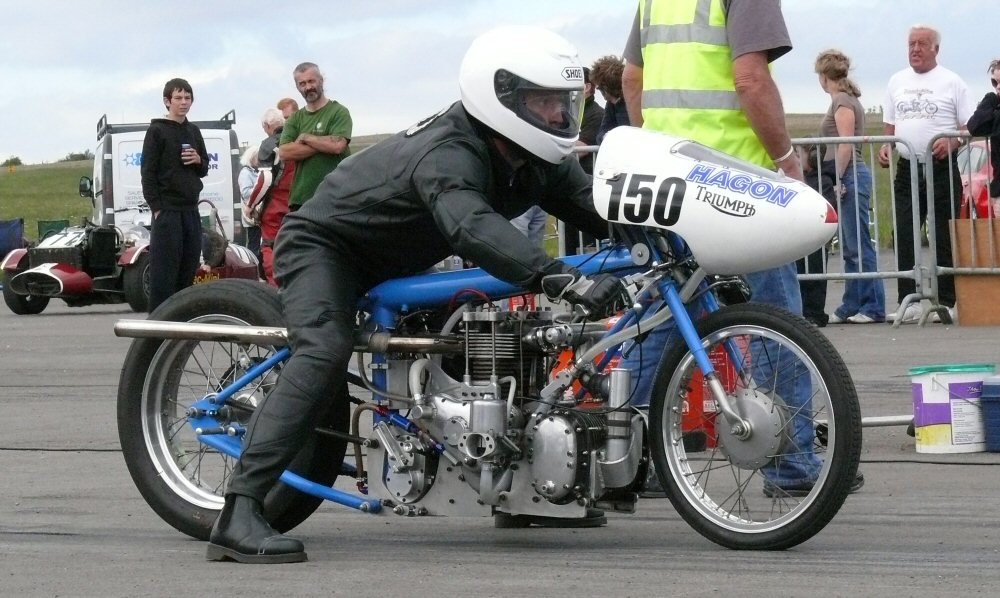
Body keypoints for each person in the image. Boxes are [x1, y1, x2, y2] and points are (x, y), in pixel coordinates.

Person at [206, 26, 623, 564]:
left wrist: (661, 231)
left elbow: (597, 205)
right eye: (544, 102)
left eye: (563, 102)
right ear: (503, 99)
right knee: (325, 349)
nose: (558, 115)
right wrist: (553, 273)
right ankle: (238, 509)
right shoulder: (450, 151)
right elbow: (470, 225)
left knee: (484, 335)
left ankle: (516, 484)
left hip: (396, 258)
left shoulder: (534, 156)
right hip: (326, 246)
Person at [621, 0, 862, 497]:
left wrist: (659, 153)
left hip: (671, 183)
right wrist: (787, 159)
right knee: (777, 322)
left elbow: (632, 79)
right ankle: (790, 464)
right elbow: (750, 79)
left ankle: (622, 456)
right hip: (734, 183)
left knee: (664, 318)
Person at [877, 25, 974, 324]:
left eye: (921, 44)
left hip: (941, 167)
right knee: (904, 232)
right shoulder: (896, 81)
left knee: (943, 234)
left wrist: (953, 141)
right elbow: (891, 125)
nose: (915, 49)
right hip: (908, 166)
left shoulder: (952, 82)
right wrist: (886, 146)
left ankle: (947, 301)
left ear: (935, 49)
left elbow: (968, 126)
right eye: (911, 44)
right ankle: (908, 301)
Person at [815, 49, 886, 325]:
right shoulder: (844, 99)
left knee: (858, 244)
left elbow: (846, 143)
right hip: (849, 175)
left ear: (824, 76)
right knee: (850, 245)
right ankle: (852, 303)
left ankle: (873, 305)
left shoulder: (842, 101)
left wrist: (838, 178)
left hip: (850, 174)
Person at [140, 77, 209, 312]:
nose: (183, 102)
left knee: (188, 270)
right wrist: (157, 208)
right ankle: (158, 325)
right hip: (167, 212)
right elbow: (147, 173)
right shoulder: (156, 131)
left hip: (190, 210)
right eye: (178, 98)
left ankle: (182, 322)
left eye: (187, 98)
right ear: (167, 101)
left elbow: (204, 168)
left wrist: (198, 160)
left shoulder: (193, 131)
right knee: (164, 273)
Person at [277, 62, 353, 211]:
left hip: (337, 197)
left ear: (321, 80)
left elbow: (338, 146)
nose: (308, 87)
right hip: (301, 200)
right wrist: (325, 142)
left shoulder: (339, 112)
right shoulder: (294, 119)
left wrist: (306, 138)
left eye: (311, 81)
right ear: (297, 87)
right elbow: (284, 152)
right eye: (302, 83)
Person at [256, 107, 295, 285]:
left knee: (270, 246)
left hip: (275, 205)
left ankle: (275, 288)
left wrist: (251, 205)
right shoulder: (295, 140)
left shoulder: (268, 144)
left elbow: (264, 180)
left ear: (267, 125)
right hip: (297, 201)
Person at [966, 59, 1000, 210]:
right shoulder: (995, 105)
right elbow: (975, 126)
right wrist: (990, 100)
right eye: (995, 82)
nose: (998, 87)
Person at [590, 54, 630, 144]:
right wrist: (607, 137)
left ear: (605, 88)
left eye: (599, 88)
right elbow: (601, 133)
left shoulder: (632, 101)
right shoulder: (611, 104)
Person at [237, 144, 262, 263]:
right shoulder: (246, 173)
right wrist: (261, 190)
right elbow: (246, 193)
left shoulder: (256, 171)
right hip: (252, 214)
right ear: (251, 157)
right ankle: (253, 266)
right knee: (253, 244)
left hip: (257, 213)